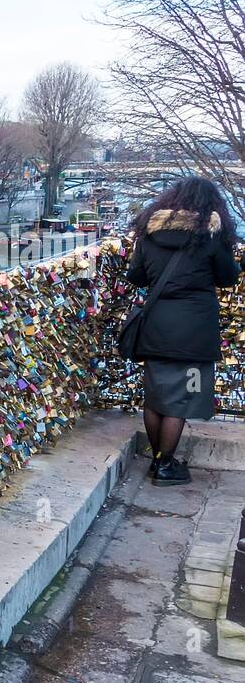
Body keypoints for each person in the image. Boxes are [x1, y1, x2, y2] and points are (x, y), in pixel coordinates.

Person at [125, 176, 240, 485]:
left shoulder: (149, 234)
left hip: (156, 325)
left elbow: (136, 276)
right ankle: (165, 466)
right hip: (193, 331)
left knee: (155, 398)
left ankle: (156, 461)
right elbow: (229, 277)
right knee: (180, 401)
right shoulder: (210, 237)